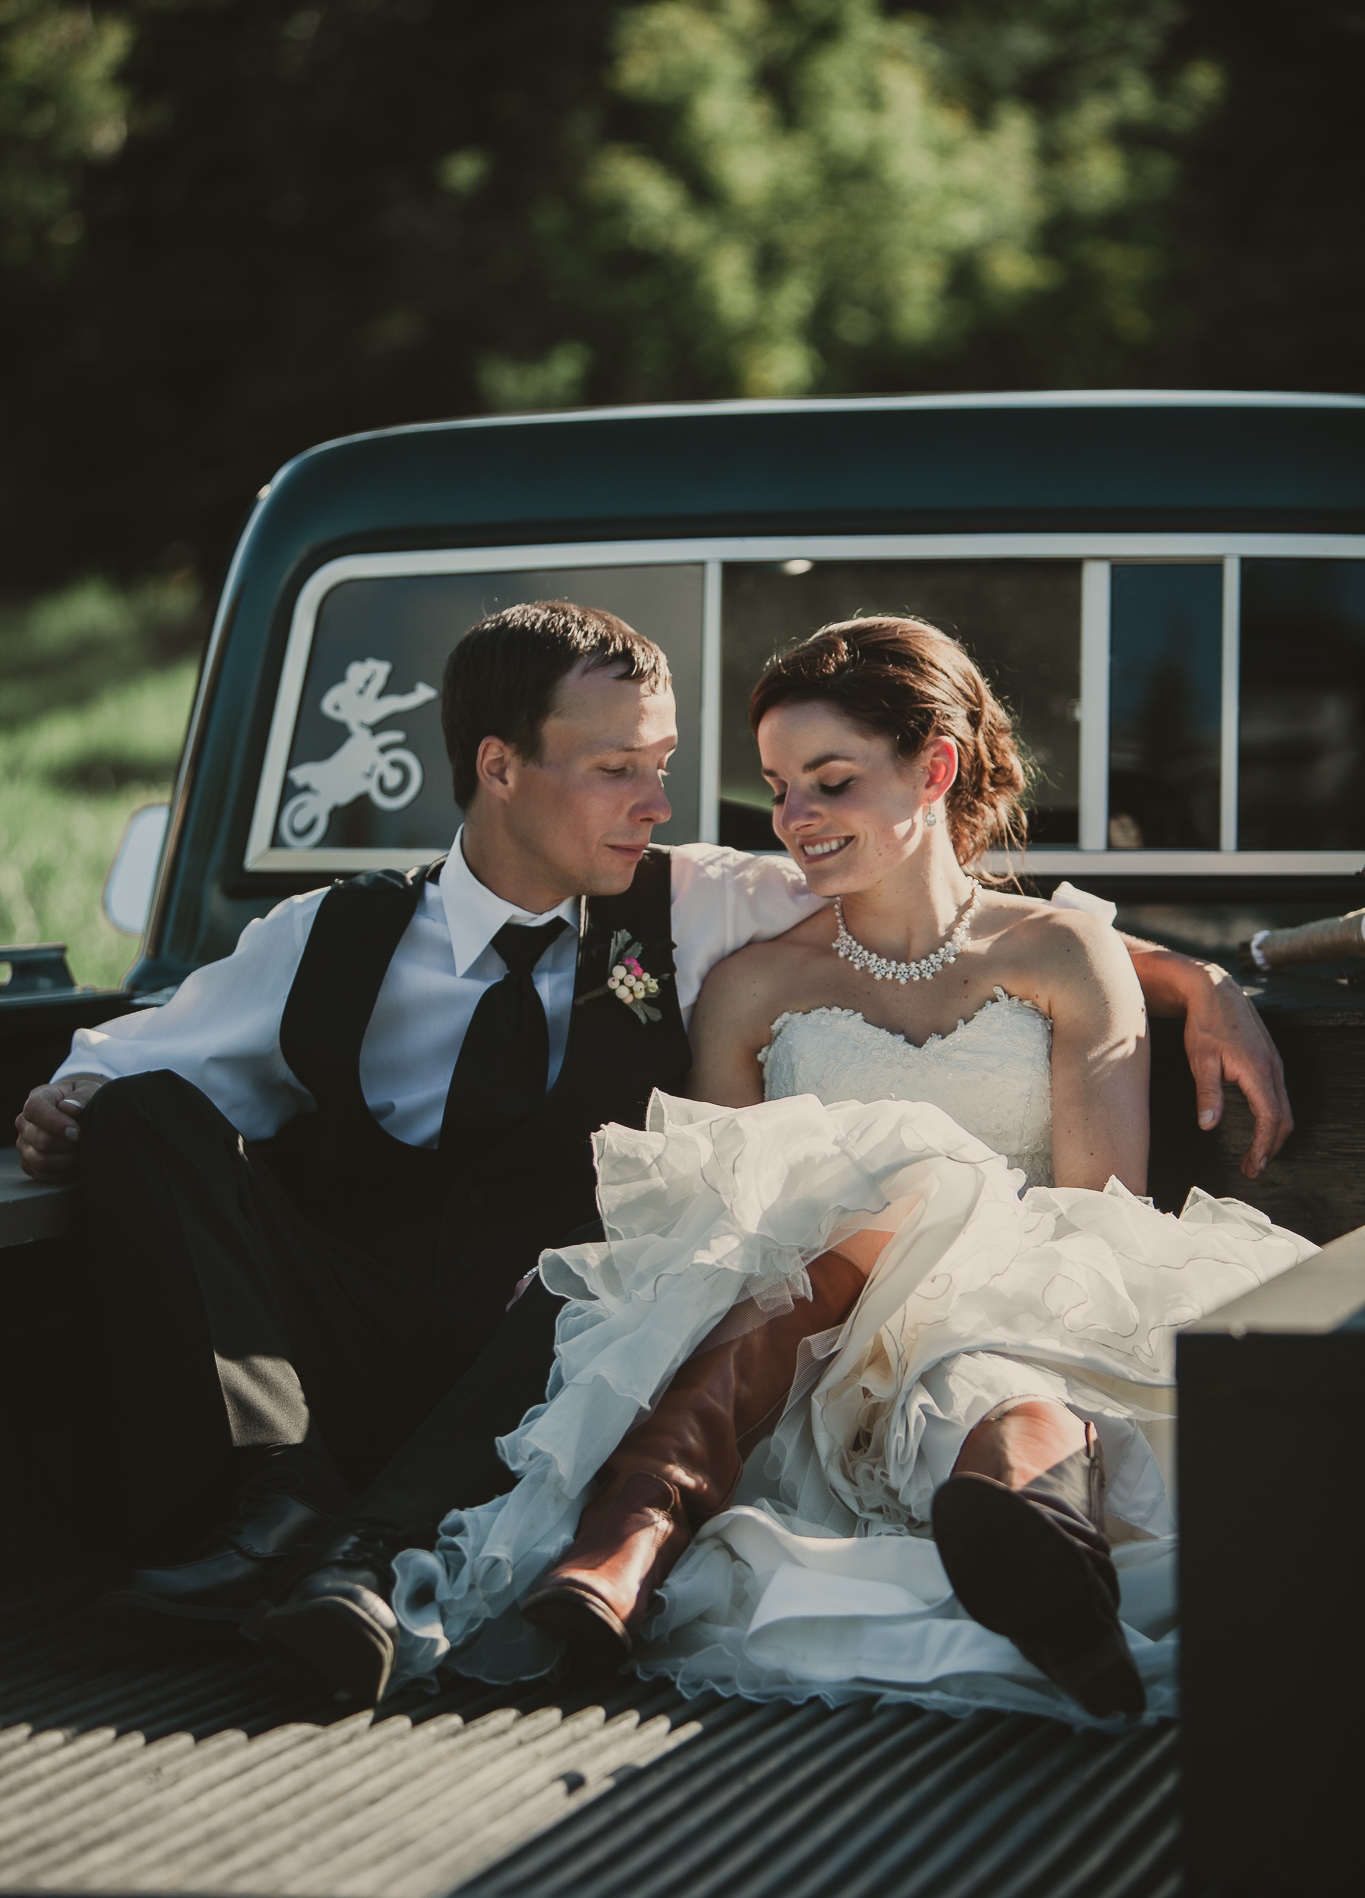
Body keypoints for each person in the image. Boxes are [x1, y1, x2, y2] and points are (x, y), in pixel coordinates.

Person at [15, 604, 1290, 1708]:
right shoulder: (329, 935)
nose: (667, 803)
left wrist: (1198, 975)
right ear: (499, 766)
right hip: (359, 1338)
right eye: (620, 765)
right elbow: (140, 1051)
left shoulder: (694, 898)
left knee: (615, 1263)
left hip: (558, 1348)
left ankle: (404, 1563)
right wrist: (65, 1098)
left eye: (667, 764)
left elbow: (952, 909)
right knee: (146, 1115)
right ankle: (277, 1498)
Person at [389, 617, 1312, 1726]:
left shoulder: (1062, 954)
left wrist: (1198, 975)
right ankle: (1011, 1502)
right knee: (876, 1179)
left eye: (830, 781)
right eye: (778, 789)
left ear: (935, 767)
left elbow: (1089, 1223)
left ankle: (993, 1504)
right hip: (806, 1362)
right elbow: (715, 1226)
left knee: (930, 1194)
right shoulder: (754, 985)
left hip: (1029, 1309)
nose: (795, 821)